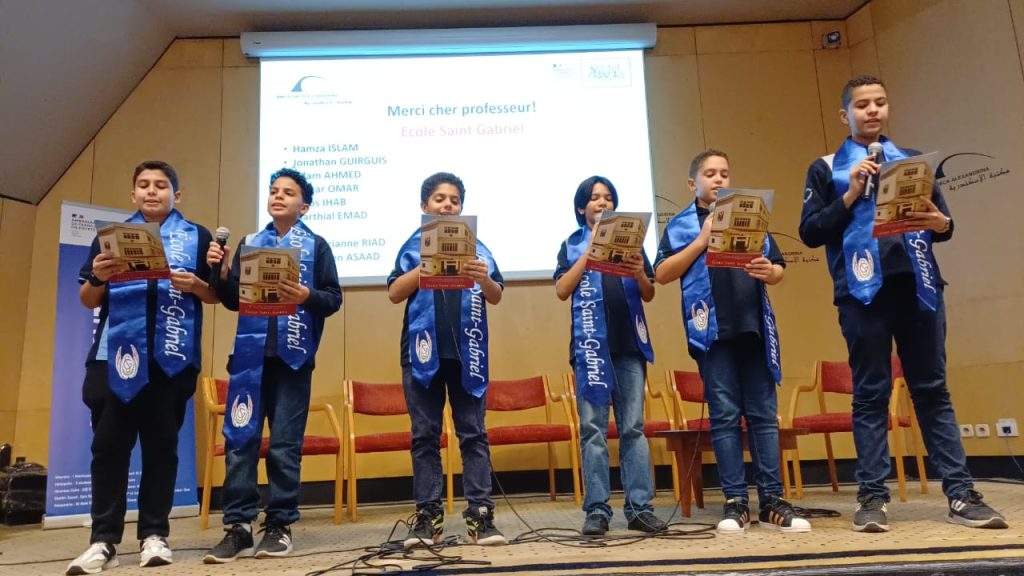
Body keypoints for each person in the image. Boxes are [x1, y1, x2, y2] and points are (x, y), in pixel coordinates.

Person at [799, 75, 1007, 532]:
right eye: (862, 105)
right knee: (870, 393)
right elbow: (810, 232)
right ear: (845, 115)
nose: (873, 110)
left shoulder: (913, 162)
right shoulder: (826, 168)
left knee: (932, 389)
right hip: (861, 293)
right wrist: (851, 192)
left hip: (919, 286)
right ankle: (872, 498)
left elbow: (943, 224)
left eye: (880, 102)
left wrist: (941, 223)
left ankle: (961, 494)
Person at [68, 161, 218, 575]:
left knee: (162, 449)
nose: (152, 191)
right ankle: (103, 541)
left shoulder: (198, 236)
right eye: (144, 185)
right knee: (109, 448)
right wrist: (98, 278)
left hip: (170, 358)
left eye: (161, 185)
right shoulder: (111, 237)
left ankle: (155, 534)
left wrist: (196, 285)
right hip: (114, 356)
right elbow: (88, 299)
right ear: (133, 194)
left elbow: (215, 295)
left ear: (176, 194)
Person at [655, 151, 809, 534]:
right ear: (692, 183)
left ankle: (772, 500)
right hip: (712, 332)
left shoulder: (749, 214)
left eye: (724, 173)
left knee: (763, 414)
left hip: (753, 327)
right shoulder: (680, 226)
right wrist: (701, 241)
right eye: (710, 173)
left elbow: (778, 268)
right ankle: (735, 501)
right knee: (724, 415)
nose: (719, 179)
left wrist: (771, 271)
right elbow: (662, 273)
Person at [203, 168, 342, 562]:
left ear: (304, 206)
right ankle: (238, 527)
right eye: (274, 190)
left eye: (289, 192)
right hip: (250, 360)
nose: (278, 196)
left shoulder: (316, 246)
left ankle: (279, 524)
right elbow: (233, 300)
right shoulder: (250, 243)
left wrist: (305, 295)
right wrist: (223, 274)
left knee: (284, 446)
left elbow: (333, 299)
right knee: (240, 441)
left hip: (293, 362)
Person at [388, 172, 507, 547]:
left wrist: (483, 278)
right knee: (424, 435)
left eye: (454, 200)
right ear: (425, 206)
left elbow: (496, 295)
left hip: (467, 353)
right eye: (439, 199)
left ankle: (481, 516)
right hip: (421, 352)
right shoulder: (412, 246)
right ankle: (428, 518)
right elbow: (394, 292)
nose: (447, 205)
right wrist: (422, 268)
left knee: (474, 434)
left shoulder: (479, 248)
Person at [553, 175, 666, 536]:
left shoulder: (633, 242)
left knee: (633, 428)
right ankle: (598, 510)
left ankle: (639, 508)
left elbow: (648, 292)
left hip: (629, 346)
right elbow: (562, 289)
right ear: (581, 208)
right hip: (590, 350)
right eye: (594, 197)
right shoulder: (571, 245)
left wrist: (639, 273)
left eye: (608, 197)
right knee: (593, 430)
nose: (602, 202)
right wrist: (588, 255)